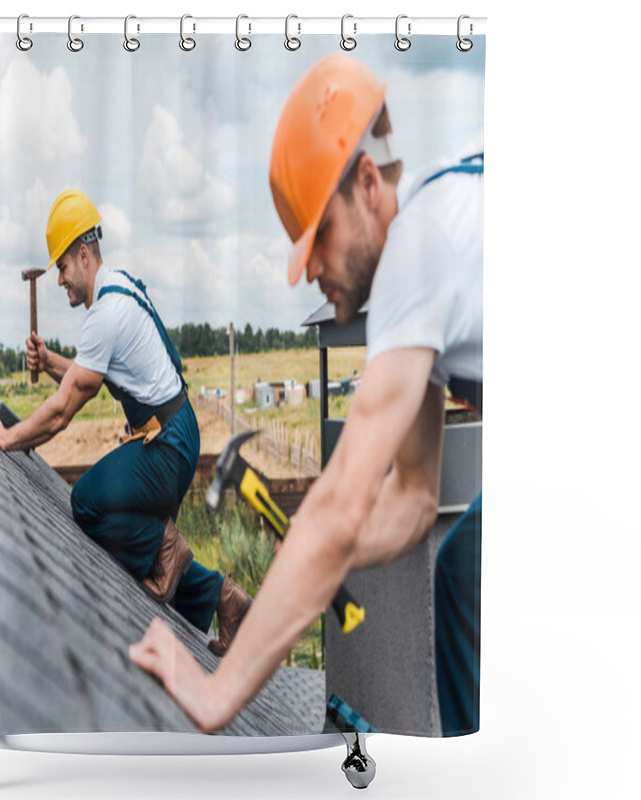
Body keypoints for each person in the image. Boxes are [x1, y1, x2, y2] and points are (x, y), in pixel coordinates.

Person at [129, 54, 483, 736]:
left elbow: (342, 506)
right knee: (462, 568)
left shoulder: (418, 247)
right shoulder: (437, 234)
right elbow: (410, 502)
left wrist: (214, 692)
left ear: (368, 182)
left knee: (467, 570)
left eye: (318, 235)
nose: (311, 269)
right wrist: (313, 562)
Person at [0, 189, 251, 654]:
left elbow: (64, 410)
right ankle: (227, 601)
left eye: (62, 267)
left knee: (87, 502)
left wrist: (8, 438)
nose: (60, 280)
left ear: (83, 255)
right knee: (151, 562)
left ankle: (169, 547)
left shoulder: (106, 314)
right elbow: (89, 375)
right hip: (175, 433)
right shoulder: (119, 286)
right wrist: (49, 362)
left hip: (167, 448)